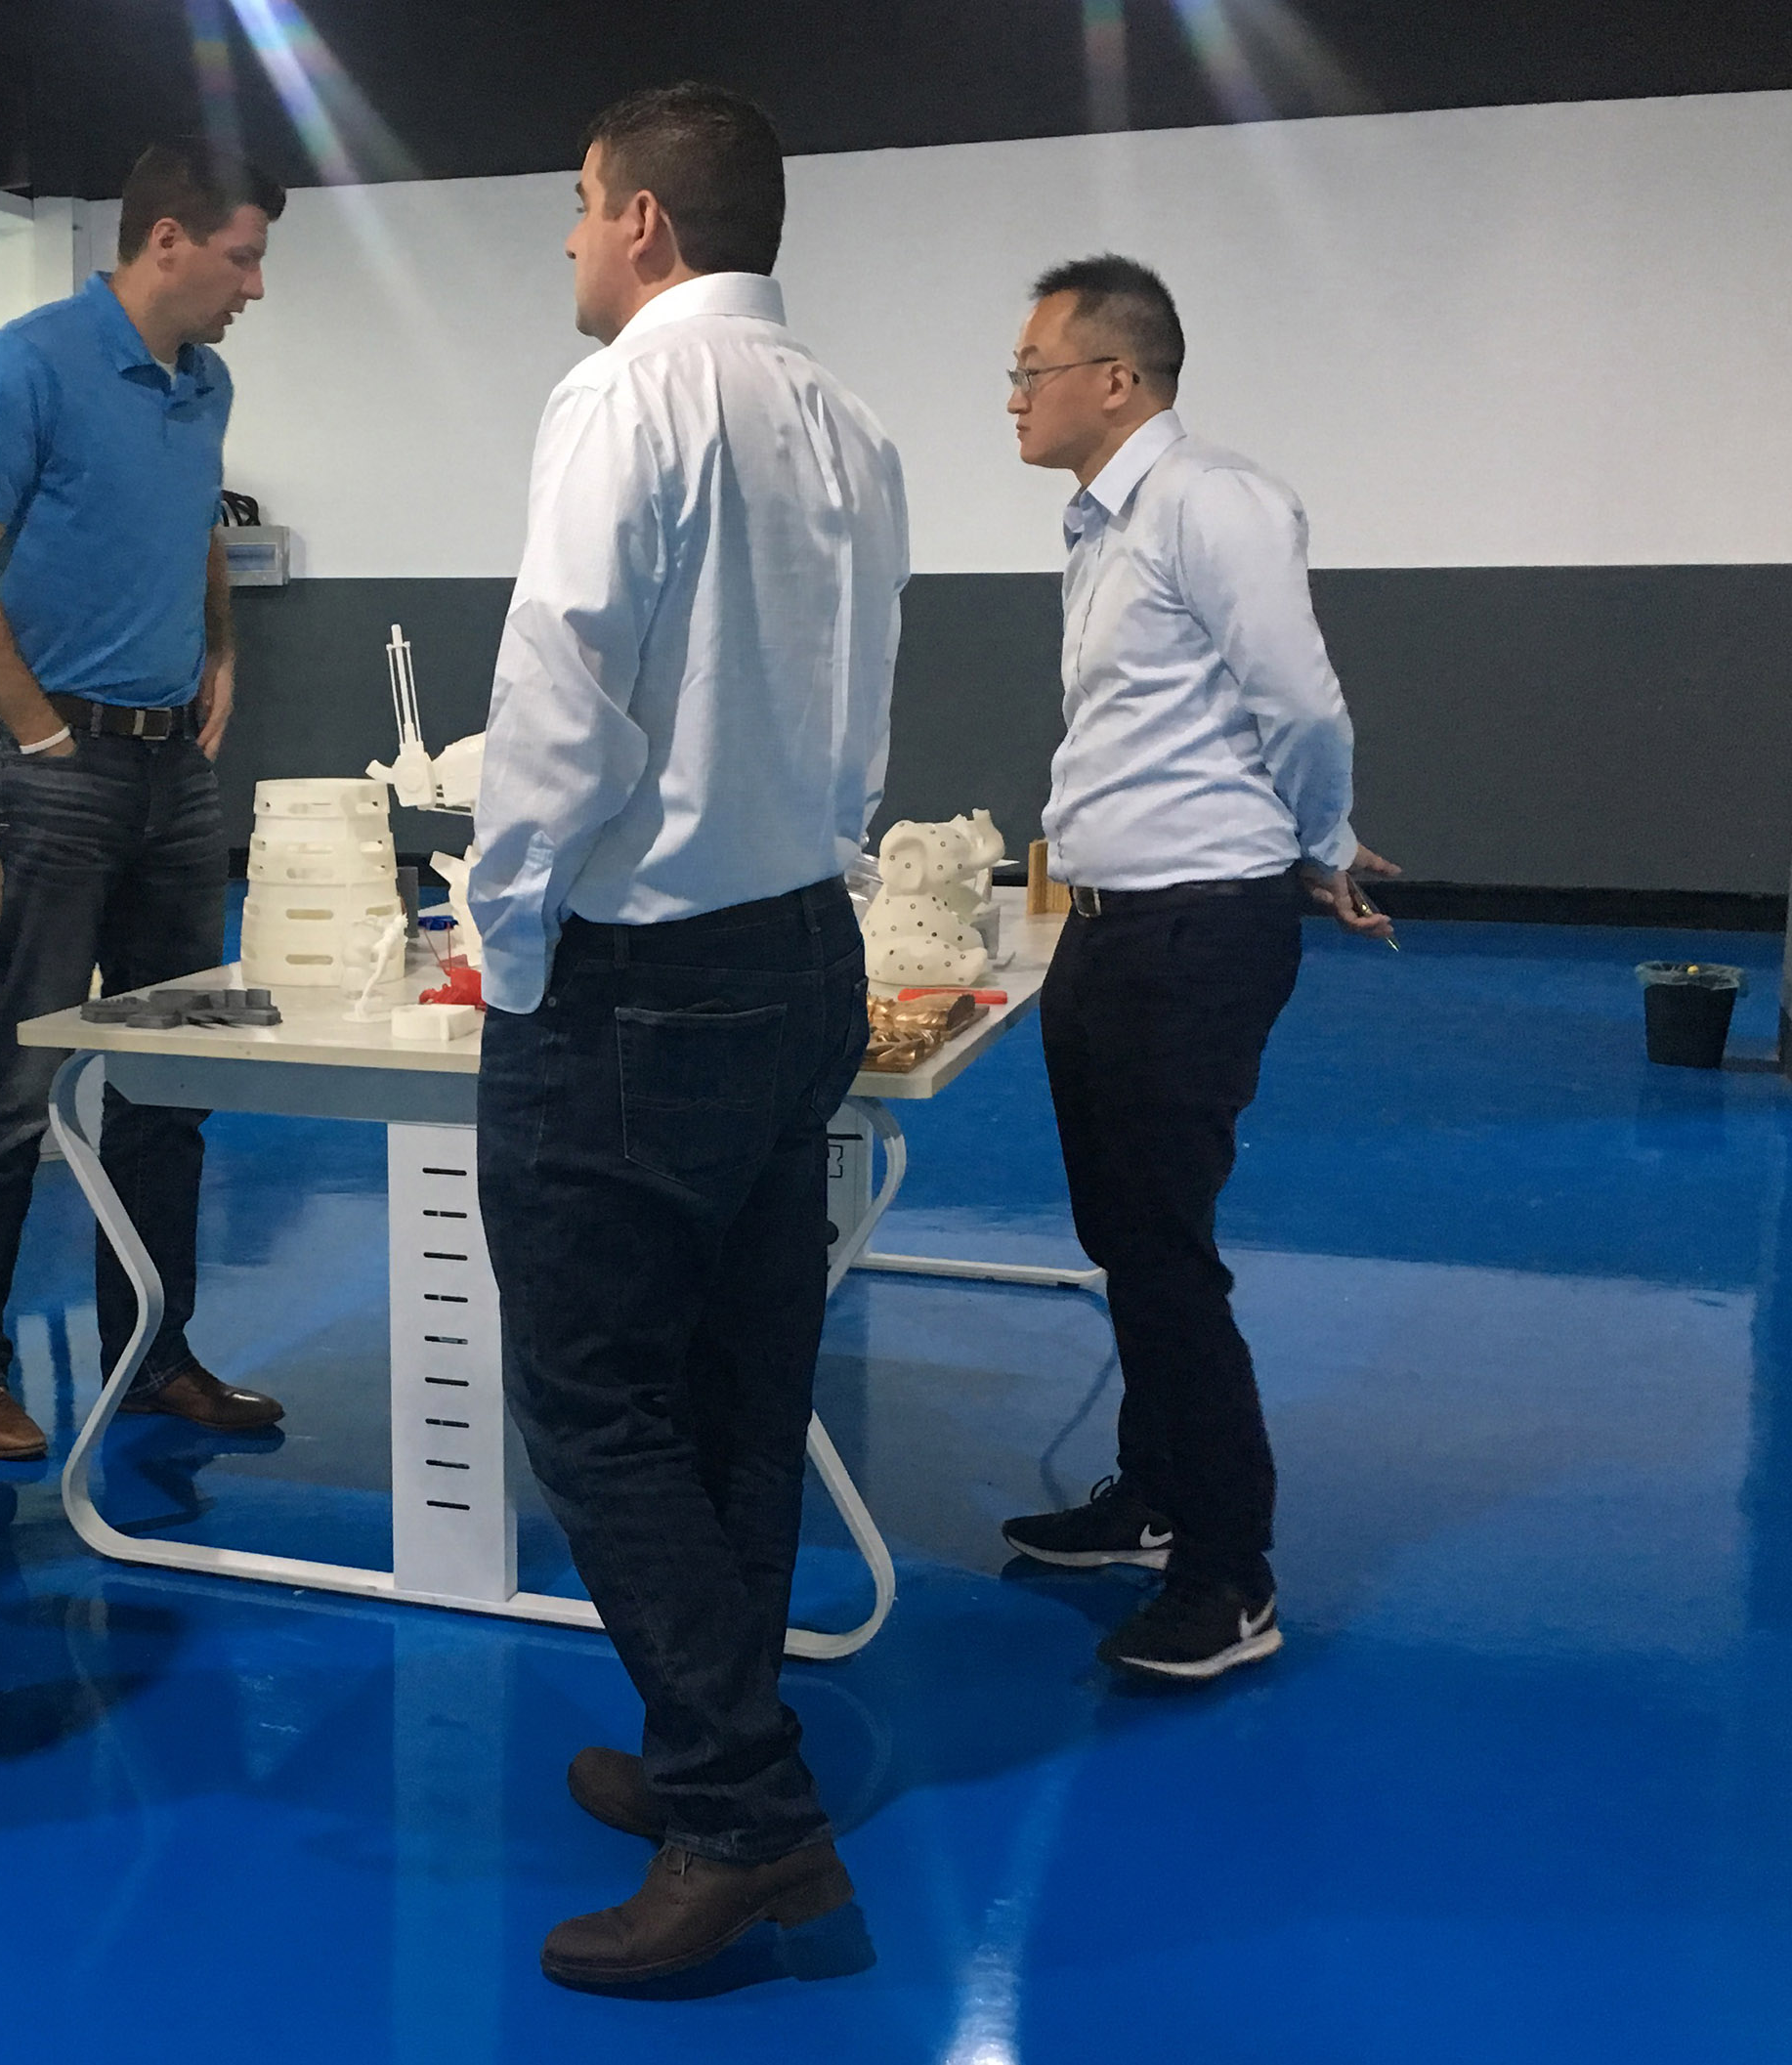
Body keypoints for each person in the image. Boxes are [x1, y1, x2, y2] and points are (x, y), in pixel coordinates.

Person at [466, 83, 907, 1989]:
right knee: (738, 1386)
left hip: (638, 980)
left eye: (580, 203)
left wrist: (506, 934)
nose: (570, 239)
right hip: (801, 950)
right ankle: (702, 1738)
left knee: (593, 1402)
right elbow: (863, 707)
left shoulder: (625, 398)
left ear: (644, 221)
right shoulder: (851, 424)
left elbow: (561, 701)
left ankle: (742, 1819)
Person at [997, 253, 1397, 1680]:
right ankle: (1155, 1495)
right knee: (1125, 1235)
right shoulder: (1105, 524)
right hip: (1111, 925)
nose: (1012, 397)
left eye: (1031, 370)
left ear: (1117, 378)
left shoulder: (1210, 500)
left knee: (1165, 1252)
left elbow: (1302, 701)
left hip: (1192, 932)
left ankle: (1231, 1576)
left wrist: (1322, 841)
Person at [0, 138, 288, 1462]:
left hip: (174, 776)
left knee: (174, 1078)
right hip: (53, 776)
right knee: (15, 1081)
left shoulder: (207, 384)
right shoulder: (24, 366)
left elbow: (195, 531)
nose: (254, 287)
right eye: (242, 257)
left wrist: (221, 649)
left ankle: (153, 1354)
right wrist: (36, 732)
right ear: (167, 241)